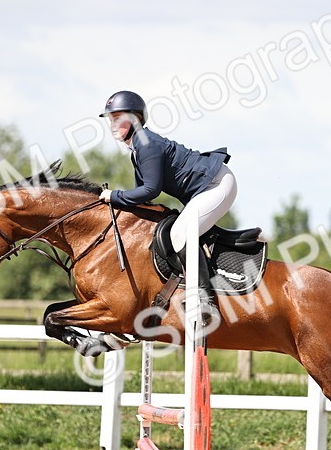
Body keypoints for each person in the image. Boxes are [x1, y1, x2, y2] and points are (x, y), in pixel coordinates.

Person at [97, 90, 238, 312]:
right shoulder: (137, 147)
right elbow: (140, 195)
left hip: (216, 184)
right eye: (110, 120)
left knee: (179, 233)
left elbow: (150, 190)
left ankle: (205, 300)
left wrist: (113, 195)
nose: (113, 125)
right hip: (206, 188)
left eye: (118, 118)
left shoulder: (146, 144)